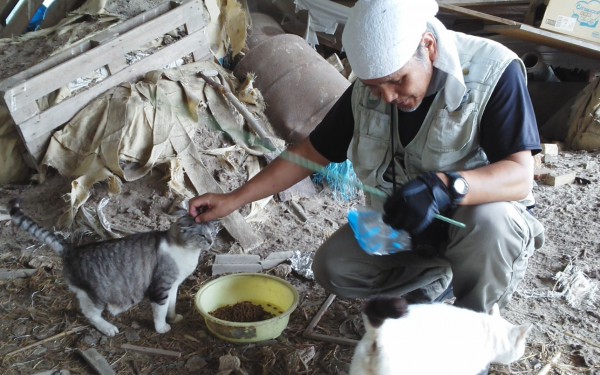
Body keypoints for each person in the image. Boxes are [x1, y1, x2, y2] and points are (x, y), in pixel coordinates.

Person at [190, 0, 544, 315]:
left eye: (397, 81)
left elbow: (519, 175)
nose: (387, 96)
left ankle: (474, 331)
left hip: (473, 226)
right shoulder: (367, 90)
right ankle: (438, 279)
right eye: (376, 86)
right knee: (333, 267)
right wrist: (232, 200)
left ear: (429, 46)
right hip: (410, 229)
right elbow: (309, 153)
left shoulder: (493, 71)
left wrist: (448, 187)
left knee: (491, 220)